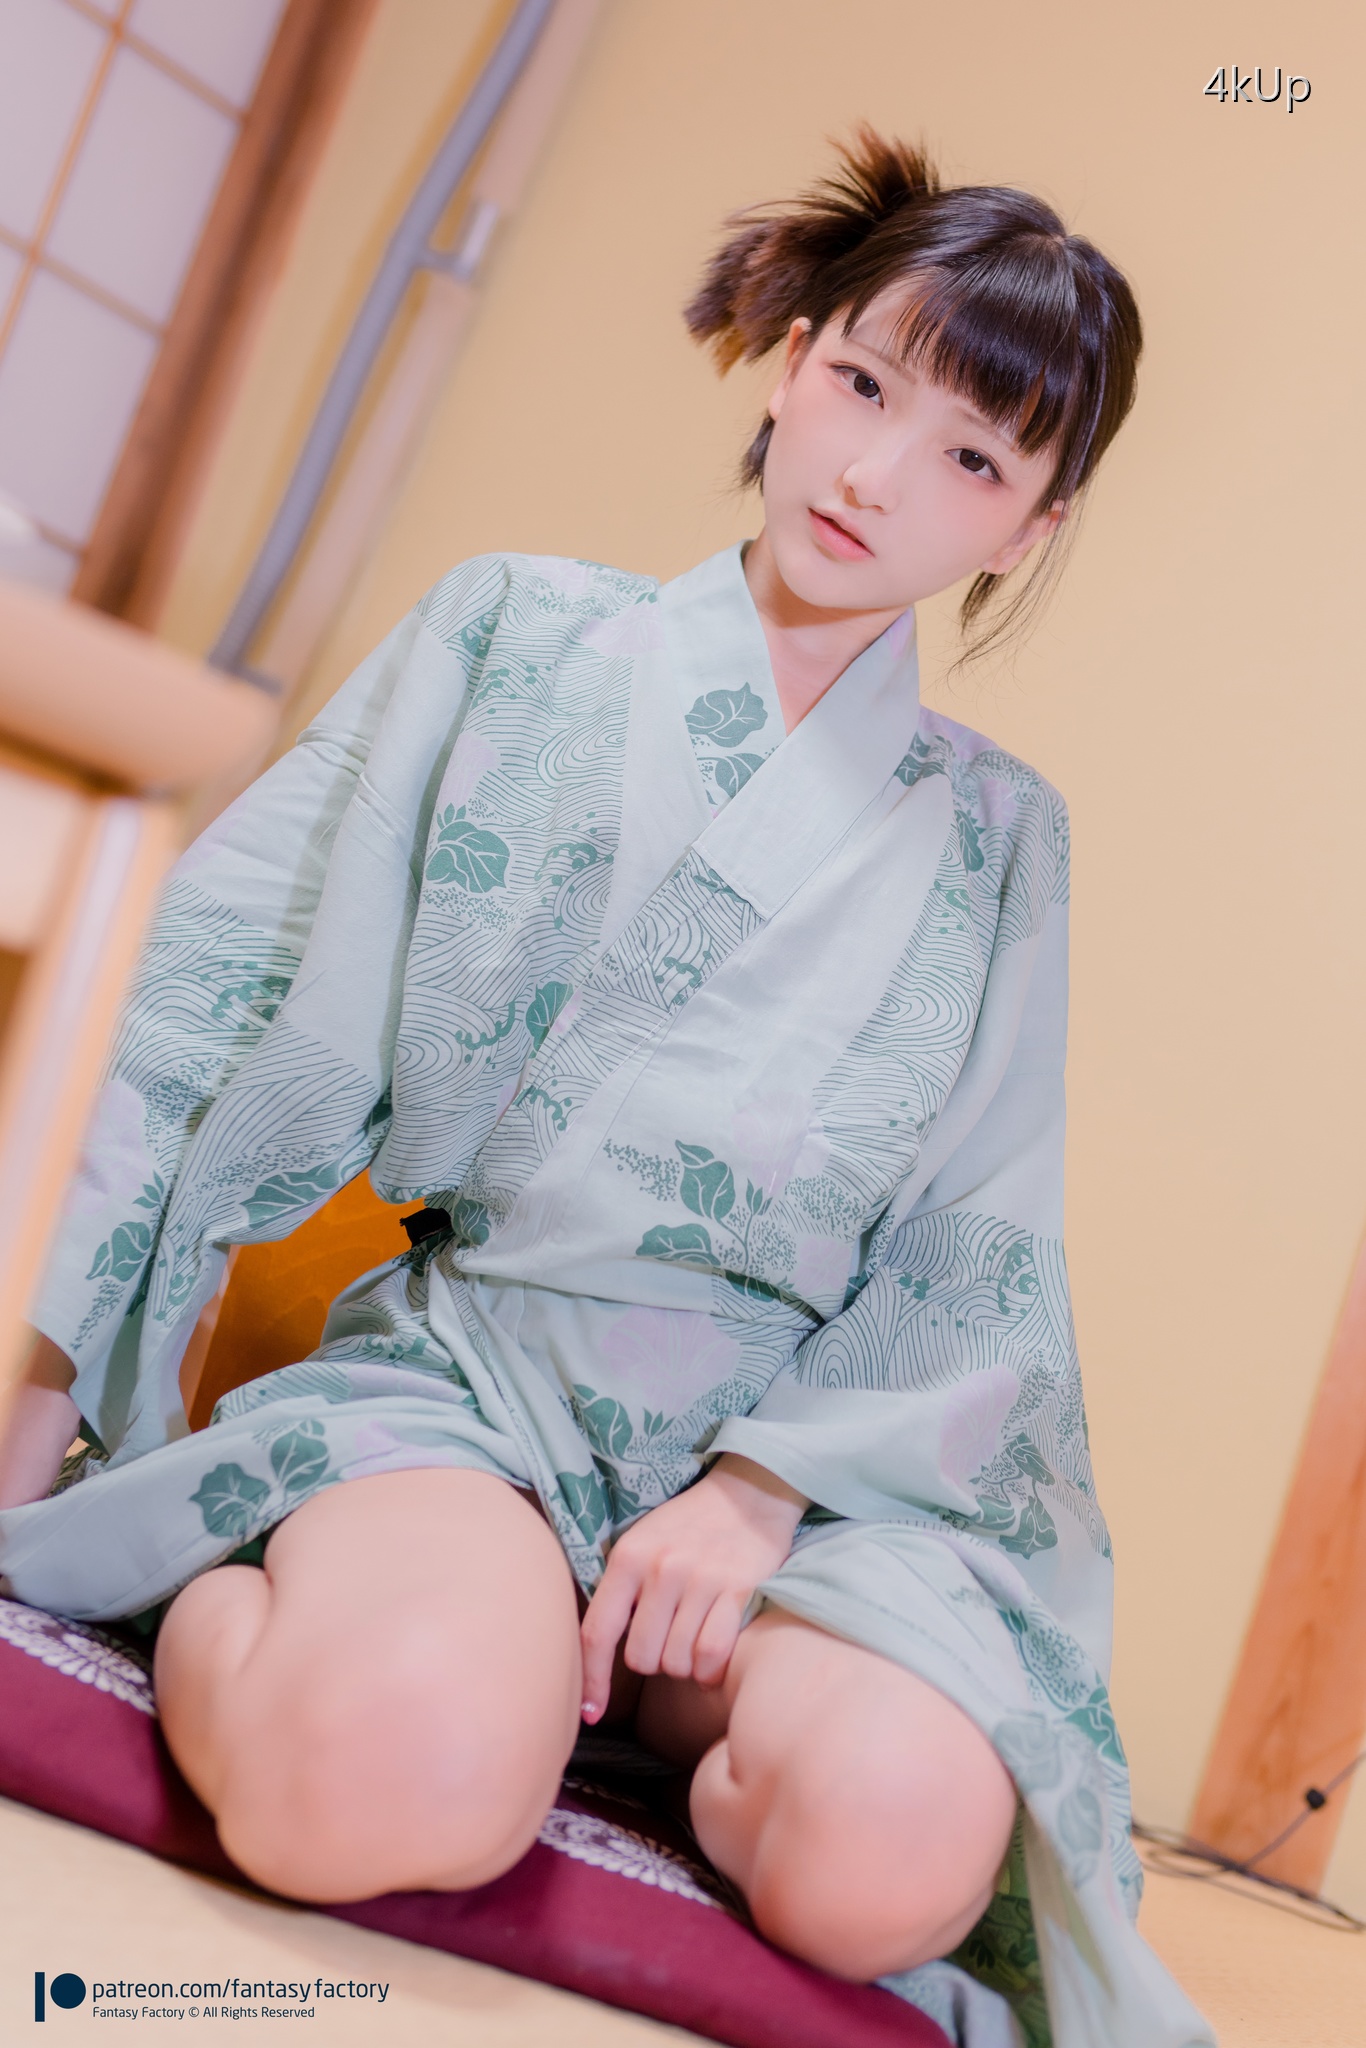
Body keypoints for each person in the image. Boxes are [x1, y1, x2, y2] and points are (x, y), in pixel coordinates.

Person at [0, 133, 1210, 2048]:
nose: (877, 476)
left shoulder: (1002, 843)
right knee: (363, 1788)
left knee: (889, 1860)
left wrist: (753, 1496)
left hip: (802, 1489)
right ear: (791, 362)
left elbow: (975, 1249)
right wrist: (45, 1378)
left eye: (974, 459)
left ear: (1029, 528)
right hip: (475, 1394)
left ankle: (617, 1705)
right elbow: (218, 998)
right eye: (861, 386)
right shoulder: (512, 635)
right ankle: (238, 1578)